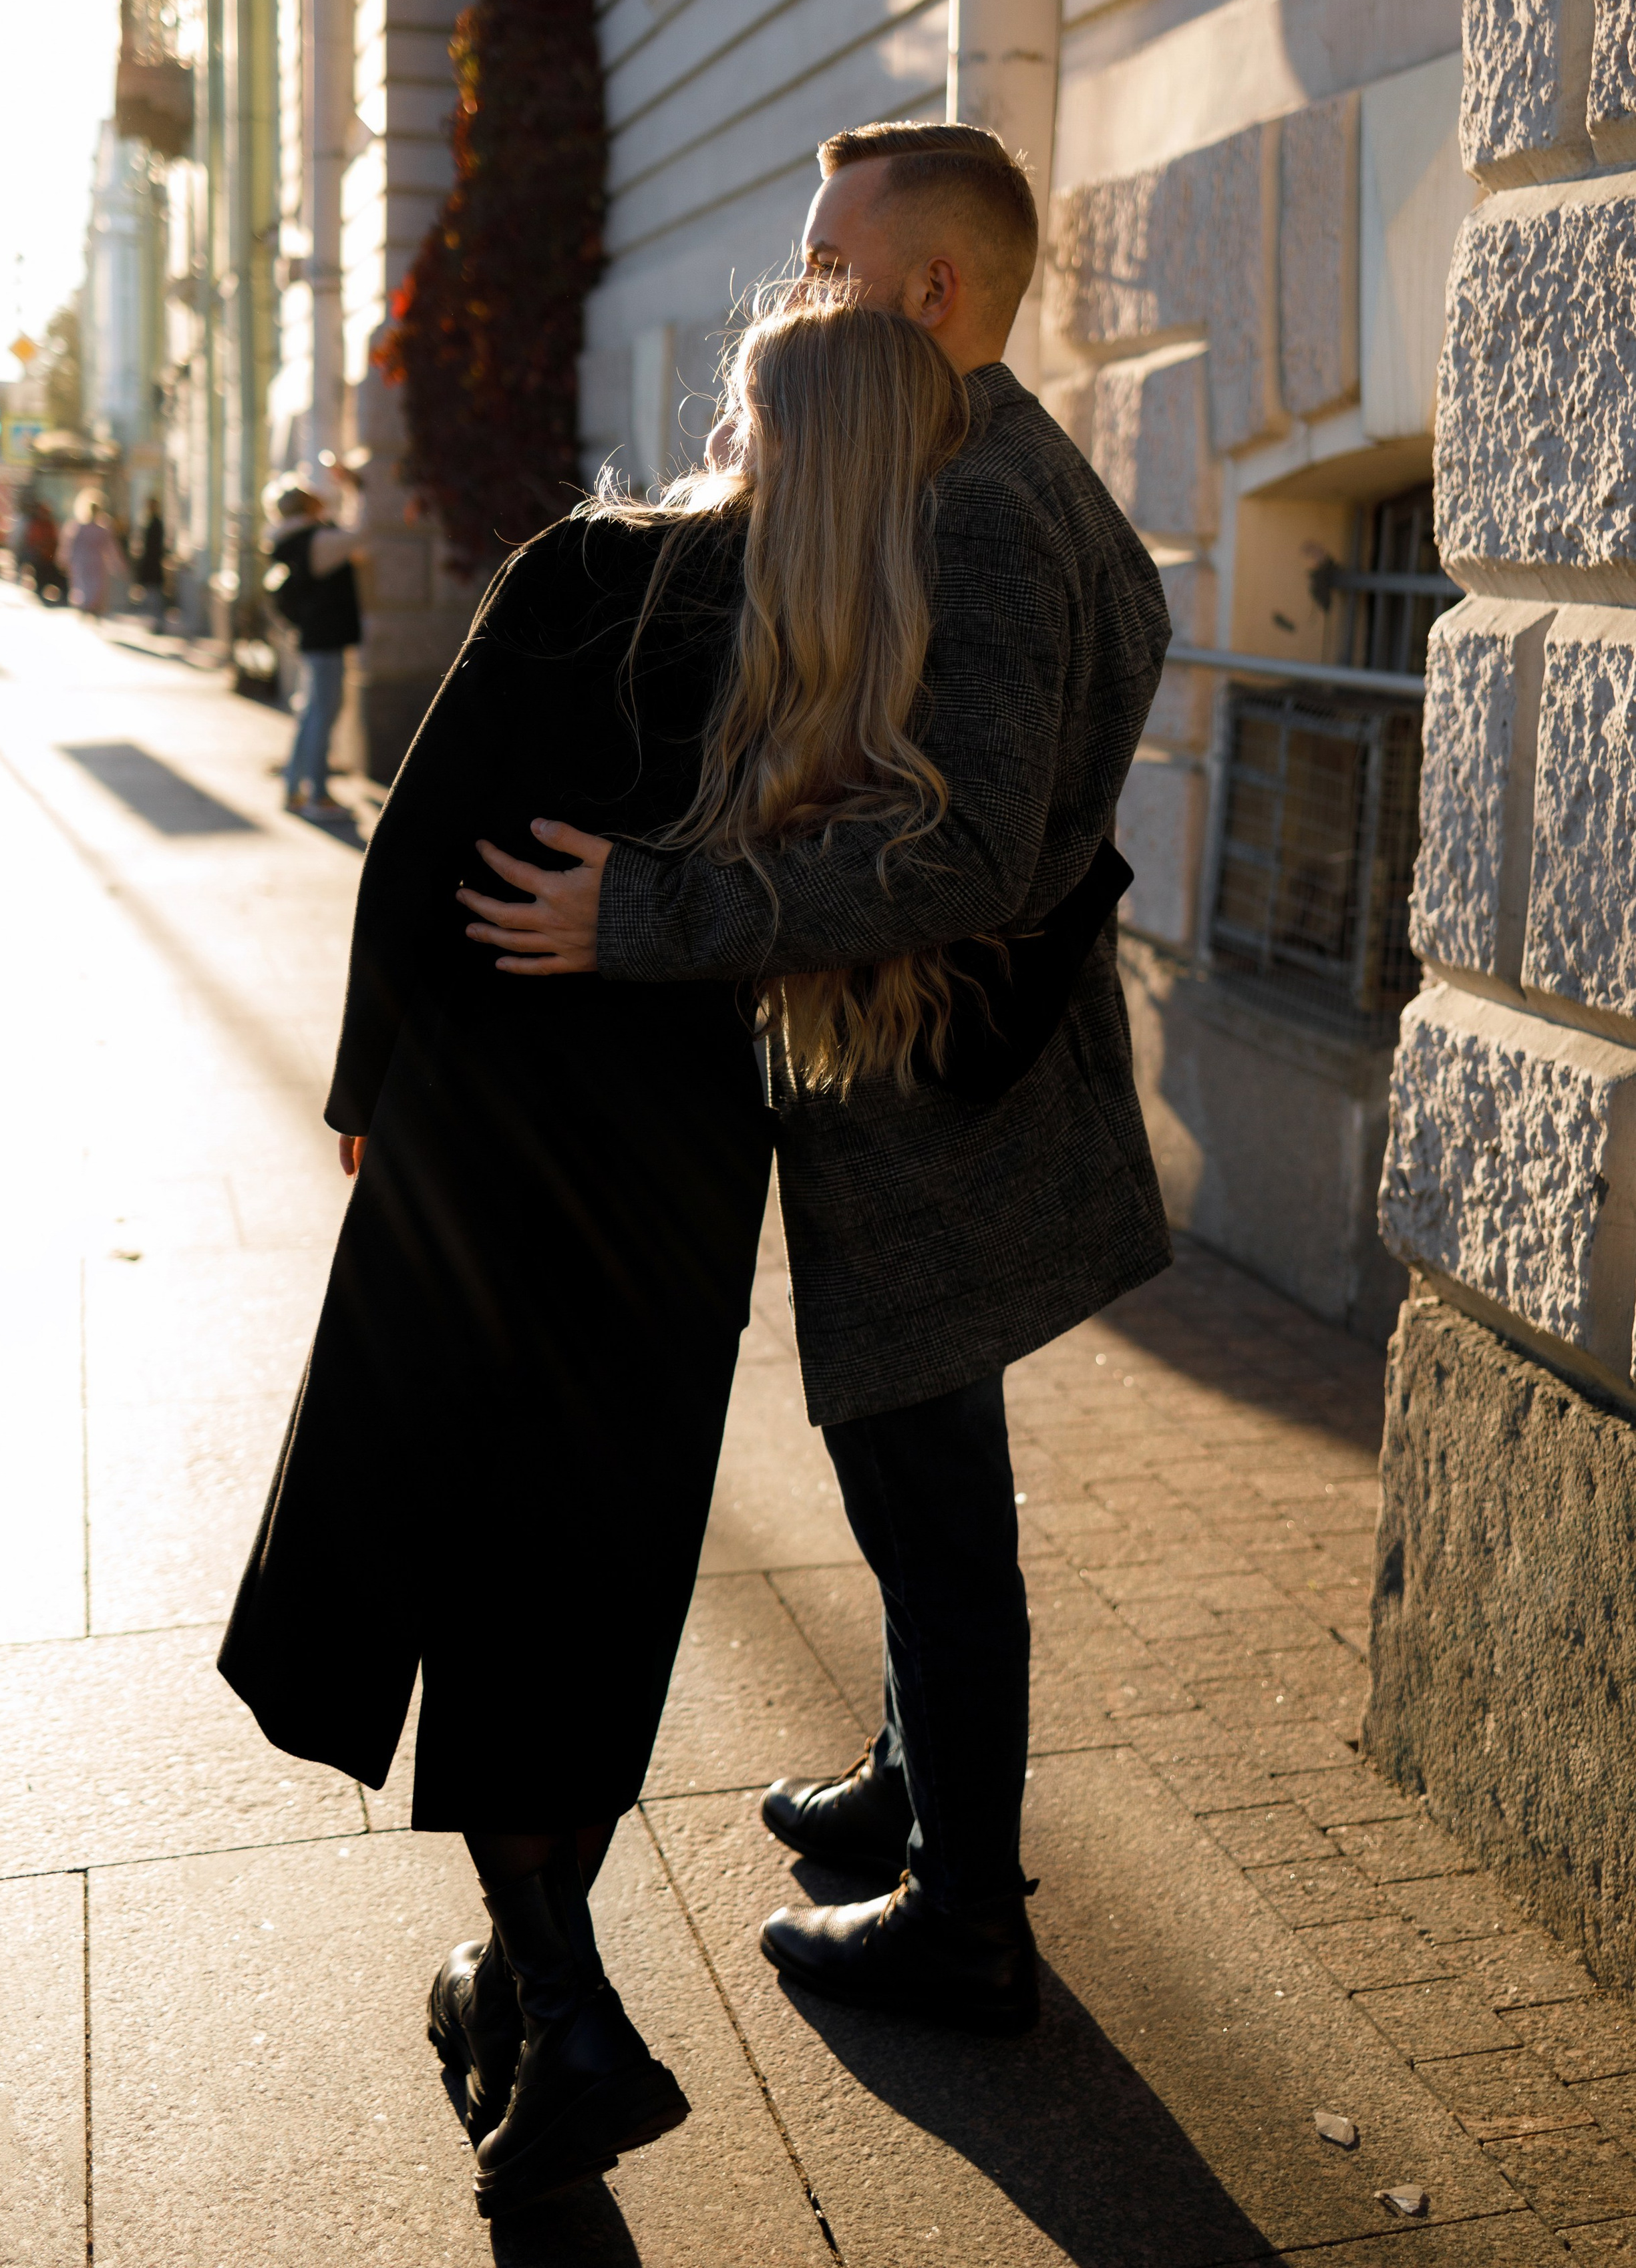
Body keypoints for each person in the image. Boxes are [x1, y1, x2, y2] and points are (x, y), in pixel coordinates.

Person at [220, 291, 981, 2219]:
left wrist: (368, 1083)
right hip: (680, 1168)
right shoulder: (875, 662)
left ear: (752, 416)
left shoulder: (598, 570)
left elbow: (419, 847)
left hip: (485, 1133)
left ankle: (564, 2012)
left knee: (460, 1549)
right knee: (590, 1564)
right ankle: (536, 1991)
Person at [454, 120, 1174, 2038]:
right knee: (919, 1489)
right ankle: (913, 1779)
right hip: (955, 1094)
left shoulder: (977, 512)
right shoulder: (986, 458)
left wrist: (648, 913)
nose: (799, 296)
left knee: (933, 1508)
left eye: (830, 265)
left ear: (934, 293)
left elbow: (965, 863)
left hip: (951, 1115)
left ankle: (964, 1915)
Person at [263, 470, 363, 817]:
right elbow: (360, 534)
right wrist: (355, 488)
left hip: (312, 637)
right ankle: (317, 795)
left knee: (310, 714)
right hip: (326, 638)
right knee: (322, 714)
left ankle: (294, 790)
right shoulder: (317, 540)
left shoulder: (288, 540)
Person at [61, 494, 120, 616]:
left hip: (92, 563)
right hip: (87, 562)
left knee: (92, 585)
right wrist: (67, 559)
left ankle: (91, 607)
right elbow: (72, 546)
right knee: (85, 584)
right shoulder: (82, 528)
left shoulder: (99, 529)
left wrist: (116, 564)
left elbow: (110, 549)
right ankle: (87, 606)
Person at [134, 496, 168, 628]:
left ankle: (157, 622)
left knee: (155, 594)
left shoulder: (156, 523)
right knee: (151, 593)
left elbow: (156, 546)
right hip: (150, 564)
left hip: (153, 564)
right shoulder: (150, 522)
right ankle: (153, 621)